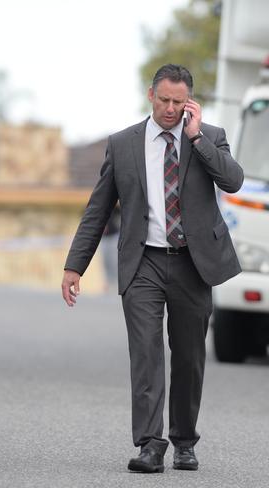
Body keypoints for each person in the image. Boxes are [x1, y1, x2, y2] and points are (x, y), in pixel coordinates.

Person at [61, 64, 243, 473]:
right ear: (151, 95)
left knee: (190, 357)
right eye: (164, 100)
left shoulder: (208, 137)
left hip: (193, 265)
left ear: (190, 103)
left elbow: (233, 181)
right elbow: (98, 209)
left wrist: (196, 138)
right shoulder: (124, 143)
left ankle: (183, 440)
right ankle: (148, 443)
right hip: (143, 261)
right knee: (145, 353)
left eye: (179, 103)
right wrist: (76, 266)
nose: (170, 109)